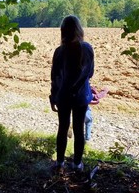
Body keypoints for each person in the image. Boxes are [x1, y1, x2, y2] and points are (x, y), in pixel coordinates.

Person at [49, 15, 95, 174]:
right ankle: (77, 164)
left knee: (62, 129)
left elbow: (54, 76)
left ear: (63, 32)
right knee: (78, 129)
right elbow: (90, 73)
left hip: (62, 96)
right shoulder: (87, 48)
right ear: (79, 30)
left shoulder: (59, 51)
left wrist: (52, 96)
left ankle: (60, 163)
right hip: (81, 97)